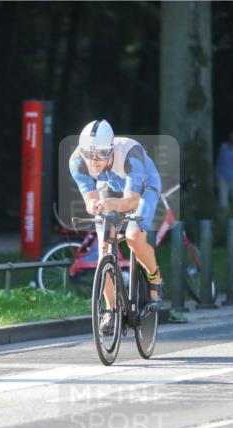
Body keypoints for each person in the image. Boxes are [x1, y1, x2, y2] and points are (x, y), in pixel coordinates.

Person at [69, 119, 162, 334]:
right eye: (88, 154)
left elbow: (131, 201)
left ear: (111, 149)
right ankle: (111, 311)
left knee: (133, 236)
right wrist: (95, 205)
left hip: (143, 189)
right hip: (110, 187)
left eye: (101, 154)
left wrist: (112, 204)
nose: (93, 161)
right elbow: (90, 200)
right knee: (104, 250)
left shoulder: (131, 153)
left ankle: (155, 280)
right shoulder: (77, 162)